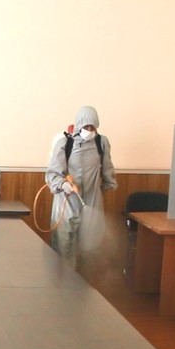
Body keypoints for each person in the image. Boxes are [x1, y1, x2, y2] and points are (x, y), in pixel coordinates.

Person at [45, 105, 118, 267]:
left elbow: (107, 168)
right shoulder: (65, 143)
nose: (89, 130)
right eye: (86, 126)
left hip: (92, 201)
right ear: (79, 125)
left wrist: (109, 184)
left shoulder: (101, 142)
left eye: (93, 127)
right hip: (67, 203)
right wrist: (64, 185)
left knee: (91, 250)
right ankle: (65, 282)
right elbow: (52, 174)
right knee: (64, 248)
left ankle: (87, 282)